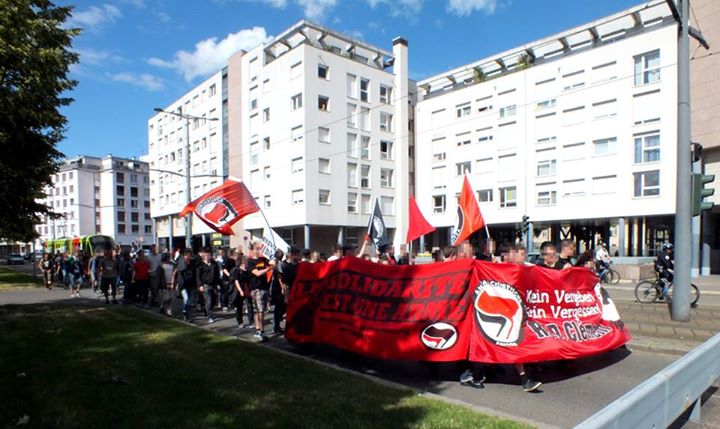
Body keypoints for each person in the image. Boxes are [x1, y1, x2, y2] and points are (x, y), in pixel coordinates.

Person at [247, 244, 273, 341]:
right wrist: (268, 269)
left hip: (264, 288)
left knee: (261, 310)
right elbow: (257, 273)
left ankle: (258, 329)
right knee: (260, 311)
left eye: (260, 249)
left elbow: (272, 262)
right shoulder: (250, 261)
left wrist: (276, 256)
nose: (259, 250)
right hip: (256, 289)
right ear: (252, 250)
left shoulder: (263, 260)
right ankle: (262, 332)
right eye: (257, 249)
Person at [231, 252, 253, 329]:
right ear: (241, 262)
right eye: (245, 261)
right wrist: (240, 291)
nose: (246, 263)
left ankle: (251, 321)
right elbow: (236, 281)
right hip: (239, 289)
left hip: (247, 289)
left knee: (249, 305)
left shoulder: (247, 271)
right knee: (239, 306)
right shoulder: (237, 270)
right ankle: (240, 322)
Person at [174, 250, 197, 322]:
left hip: (191, 284)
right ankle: (184, 311)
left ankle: (188, 315)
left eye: (189, 255)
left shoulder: (193, 263)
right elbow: (175, 272)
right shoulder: (181, 264)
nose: (188, 257)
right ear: (184, 256)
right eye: (186, 256)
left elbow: (195, 273)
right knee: (186, 299)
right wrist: (174, 283)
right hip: (183, 284)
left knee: (190, 301)